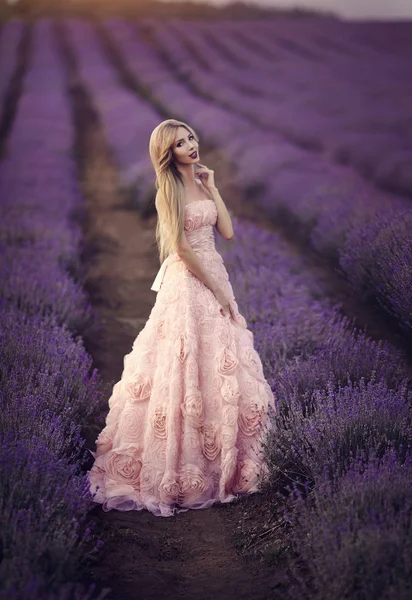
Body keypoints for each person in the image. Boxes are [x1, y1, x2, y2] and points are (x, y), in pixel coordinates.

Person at [87, 119, 276, 517]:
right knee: (183, 360)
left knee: (218, 359)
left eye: (189, 137)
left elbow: (226, 232)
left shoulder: (200, 184)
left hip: (213, 270)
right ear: (167, 154)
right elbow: (182, 248)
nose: (190, 145)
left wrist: (213, 187)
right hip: (190, 279)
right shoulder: (168, 189)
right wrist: (218, 290)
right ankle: (176, 464)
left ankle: (220, 461)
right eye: (179, 144)